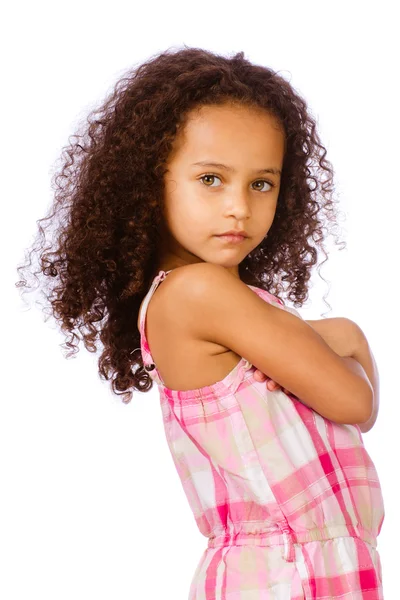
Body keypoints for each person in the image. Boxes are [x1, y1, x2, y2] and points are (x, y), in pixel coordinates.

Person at [16, 46, 384, 598]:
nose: (238, 206)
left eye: (261, 183)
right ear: (150, 183)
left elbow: (352, 418)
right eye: (211, 179)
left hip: (312, 570)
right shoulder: (200, 293)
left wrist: (324, 341)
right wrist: (349, 334)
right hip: (280, 577)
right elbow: (357, 403)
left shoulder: (222, 300)